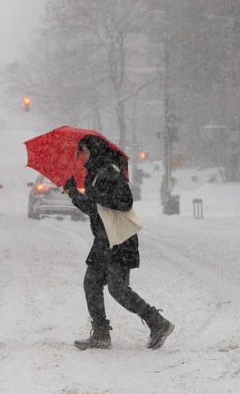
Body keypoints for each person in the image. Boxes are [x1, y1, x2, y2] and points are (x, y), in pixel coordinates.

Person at [63, 135, 174, 350]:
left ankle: (158, 323)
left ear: (93, 150)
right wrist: (74, 194)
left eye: (83, 150)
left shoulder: (109, 172)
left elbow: (125, 202)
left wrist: (96, 195)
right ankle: (101, 335)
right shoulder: (94, 174)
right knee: (92, 283)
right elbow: (95, 211)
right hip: (104, 240)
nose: (81, 154)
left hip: (120, 240)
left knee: (118, 289)